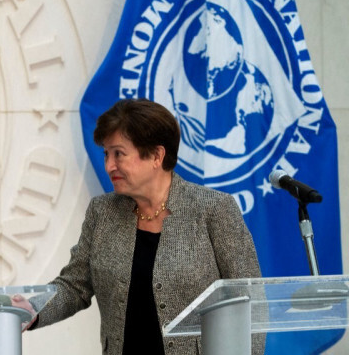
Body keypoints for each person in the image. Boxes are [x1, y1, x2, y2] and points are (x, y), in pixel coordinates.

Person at [26, 99, 264, 354]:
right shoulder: (102, 212)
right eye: (106, 154)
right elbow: (74, 286)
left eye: (119, 153)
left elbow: (250, 303)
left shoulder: (214, 209)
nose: (108, 166)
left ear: (156, 155)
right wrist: (31, 309)